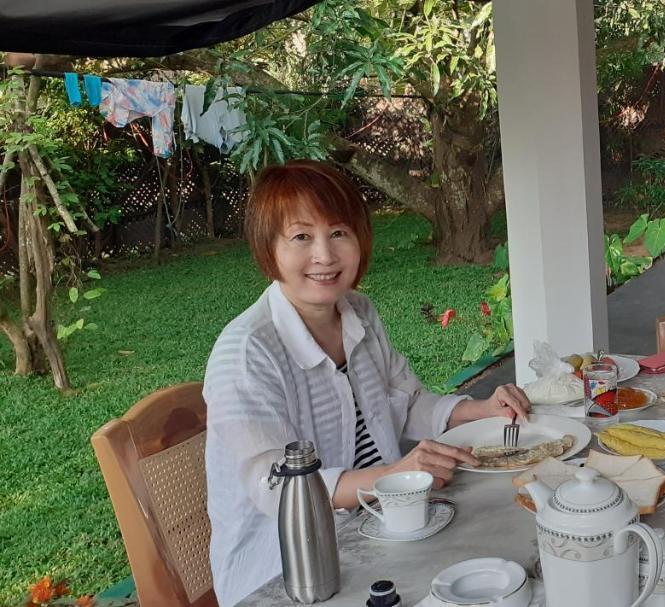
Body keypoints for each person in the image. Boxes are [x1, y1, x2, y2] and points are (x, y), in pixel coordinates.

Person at [203, 160, 531, 604]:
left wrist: (483, 409)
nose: (325, 255)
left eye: (339, 232)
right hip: (289, 574)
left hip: (387, 527)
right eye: (302, 236)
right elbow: (278, 489)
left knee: (517, 551)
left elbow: (407, 402)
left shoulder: (358, 312)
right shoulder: (246, 353)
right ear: (268, 249)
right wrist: (392, 477)